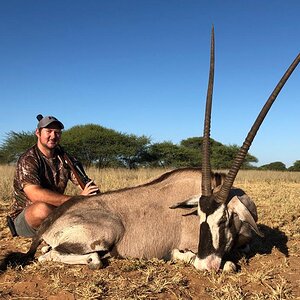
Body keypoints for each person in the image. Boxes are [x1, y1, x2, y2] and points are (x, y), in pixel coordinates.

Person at [9, 114, 100, 237]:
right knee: (42, 210)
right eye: (49, 131)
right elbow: (34, 194)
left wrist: (93, 194)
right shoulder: (29, 159)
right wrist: (76, 201)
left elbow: (83, 184)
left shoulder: (67, 159)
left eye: (57, 132)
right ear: (38, 133)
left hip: (60, 211)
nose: (53, 136)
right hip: (27, 218)